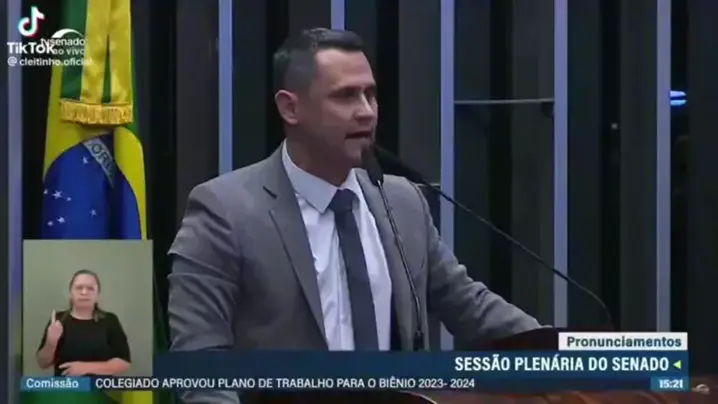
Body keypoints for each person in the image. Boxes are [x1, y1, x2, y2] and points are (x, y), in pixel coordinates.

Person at [168, 28, 542, 403]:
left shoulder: (403, 201)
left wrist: (563, 353)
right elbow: (201, 362)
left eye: (370, 95)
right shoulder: (225, 211)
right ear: (290, 108)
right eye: (346, 96)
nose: (366, 112)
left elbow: (471, 307)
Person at [36, 269, 131, 377]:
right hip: (65, 386)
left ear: (97, 295)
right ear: (71, 293)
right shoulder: (58, 320)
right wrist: (51, 342)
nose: (84, 292)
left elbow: (124, 362)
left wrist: (85, 368)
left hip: (99, 386)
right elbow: (42, 363)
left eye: (90, 288)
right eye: (79, 288)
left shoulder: (109, 320)